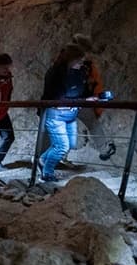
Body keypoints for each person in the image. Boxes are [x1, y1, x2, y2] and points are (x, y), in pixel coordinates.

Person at [39, 44, 94, 182]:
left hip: (71, 114)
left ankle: (42, 160)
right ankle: (47, 174)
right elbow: (56, 97)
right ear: (71, 59)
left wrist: (90, 97)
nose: (82, 63)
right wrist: (83, 100)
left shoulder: (79, 72)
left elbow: (82, 89)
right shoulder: (55, 73)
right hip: (55, 114)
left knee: (68, 144)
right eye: (79, 60)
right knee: (62, 147)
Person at [68, 33, 116, 162]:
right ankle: (104, 149)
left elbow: (95, 83)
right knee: (88, 124)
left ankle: (53, 156)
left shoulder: (85, 65)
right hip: (73, 100)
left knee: (88, 123)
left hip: (80, 101)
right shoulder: (79, 64)